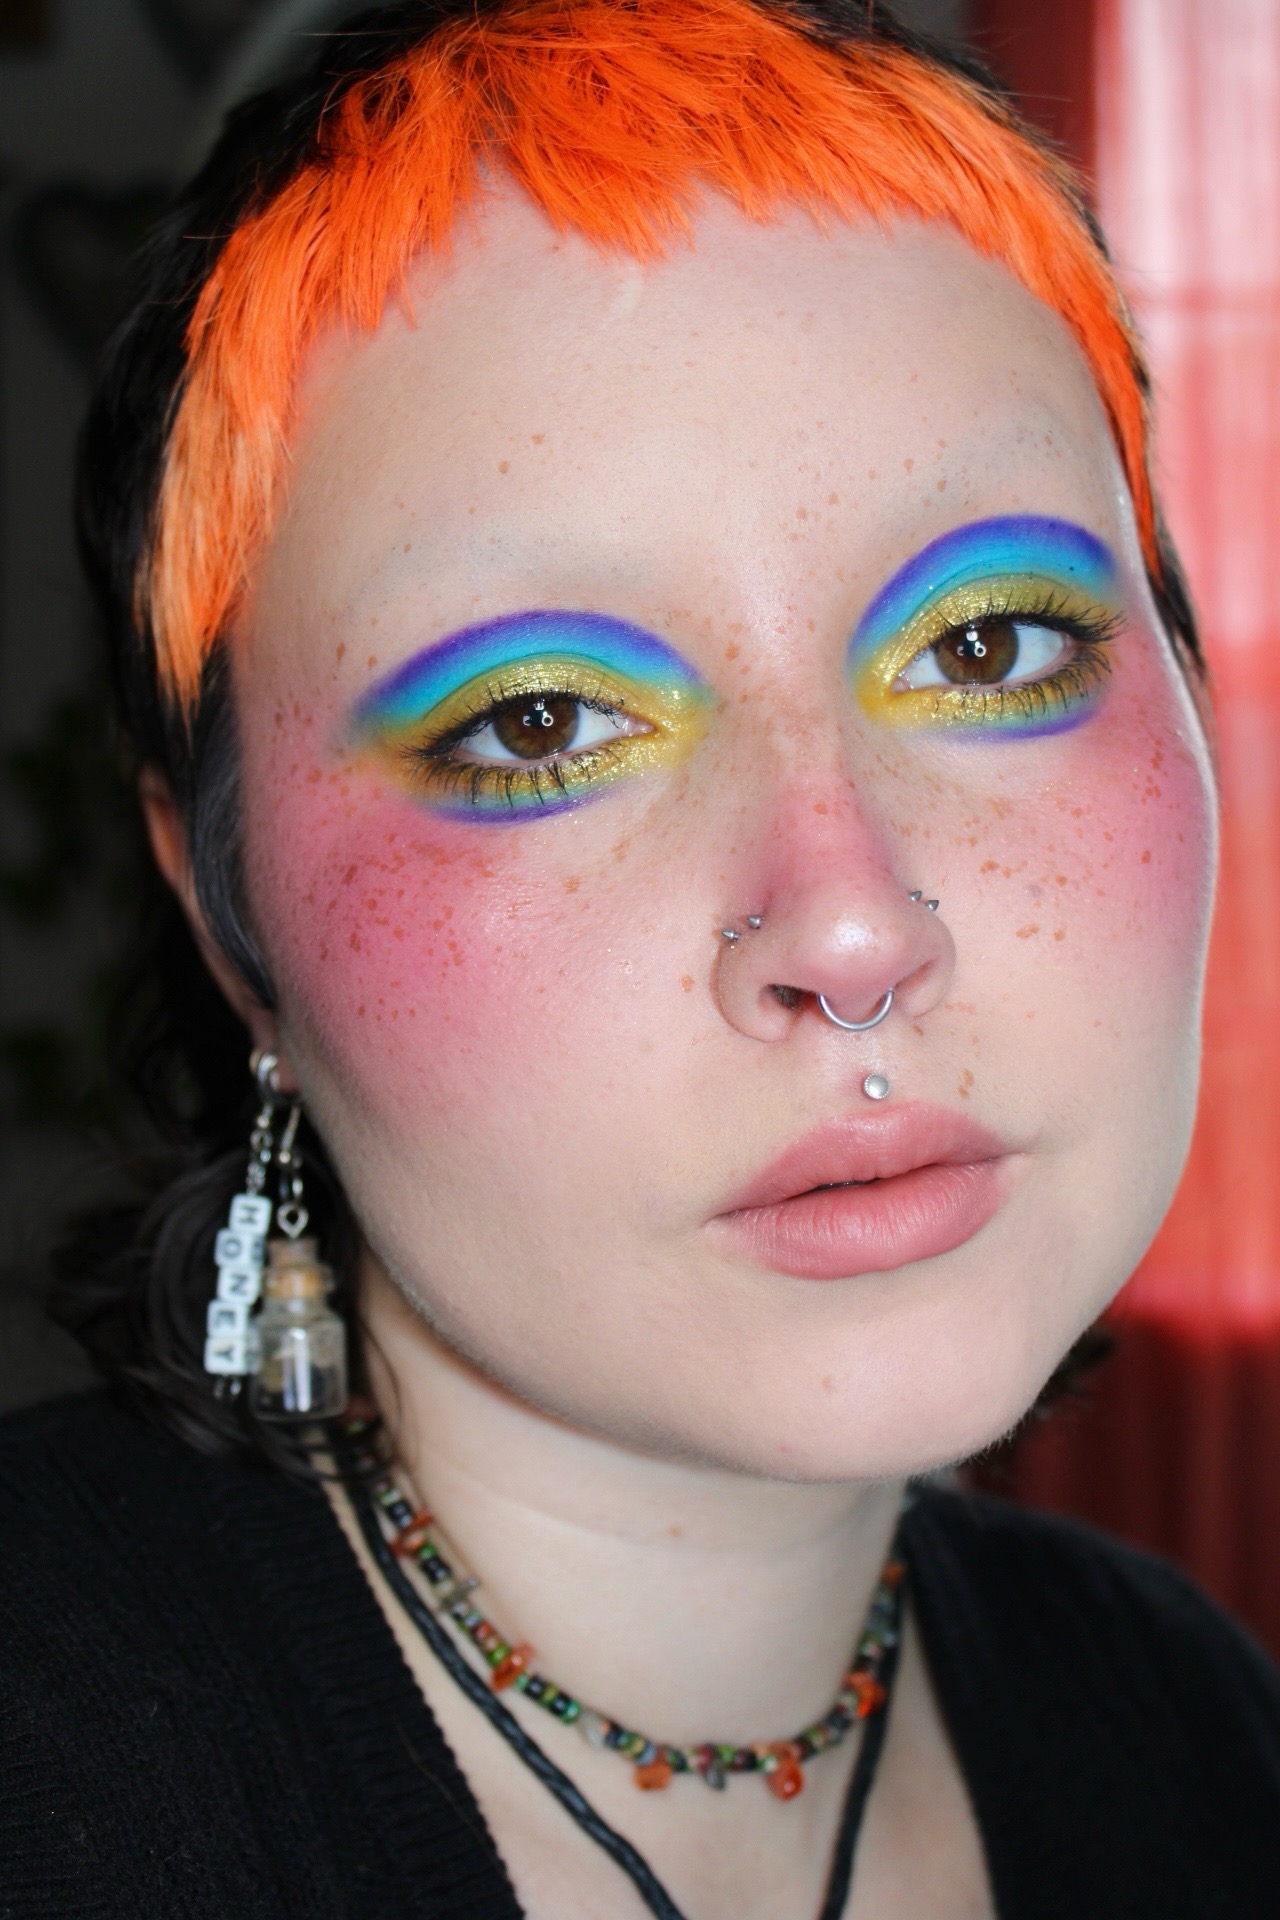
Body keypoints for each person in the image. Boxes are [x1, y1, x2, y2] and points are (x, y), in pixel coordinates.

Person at [3, 2, 1278, 1915]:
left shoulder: (1197, 1736)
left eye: (988, 646)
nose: (851, 928)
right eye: (540, 725)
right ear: (226, 910)